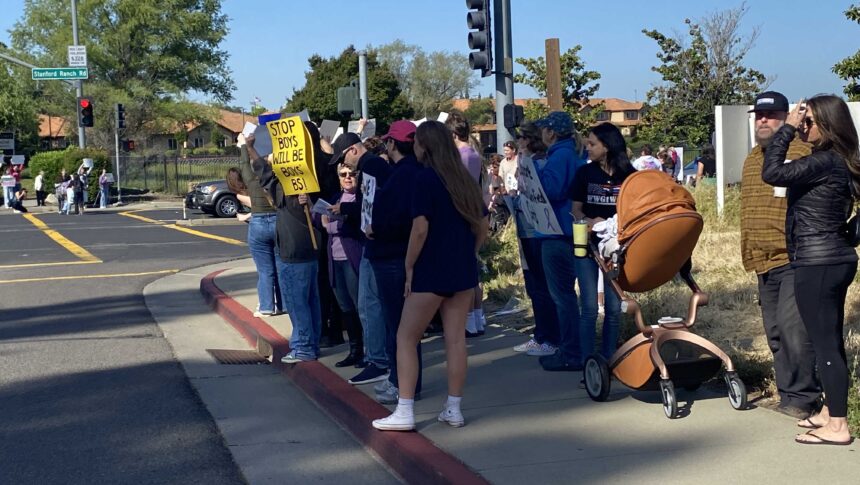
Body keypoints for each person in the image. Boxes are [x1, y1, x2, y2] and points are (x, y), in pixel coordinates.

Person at [372, 121, 488, 431]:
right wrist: (471, 251)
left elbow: (420, 228)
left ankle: (405, 409)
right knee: (455, 340)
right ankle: (454, 408)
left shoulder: (425, 179)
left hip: (430, 268)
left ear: (424, 146)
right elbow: (483, 224)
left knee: (406, 337)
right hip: (462, 268)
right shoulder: (464, 178)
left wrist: (409, 265)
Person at [761, 94, 859, 446]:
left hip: (817, 262)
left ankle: (838, 426)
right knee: (827, 342)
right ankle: (827, 413)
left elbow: (772, 172)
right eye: (800, 122)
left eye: (808, 122)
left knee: (826, 345)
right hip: (833, 256)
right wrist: (849, 233)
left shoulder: (825, 162)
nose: (802, 127)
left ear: (829, 126)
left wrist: (784, 130)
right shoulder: (840, 162)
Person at [739, 90, 821, 421]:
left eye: (771, 115)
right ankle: (788, 395)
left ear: (787, 118)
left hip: (793, 257)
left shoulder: (802, 153)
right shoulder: (752, 159)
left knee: (793, 328)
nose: (762, 120)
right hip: (761, 259)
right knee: (774, 333)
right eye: (758, 115)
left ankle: (804, 398)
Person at [246, 133, 323, 364]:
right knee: (310, 301)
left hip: (294, 252)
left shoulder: (288, 190)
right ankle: (311, 343)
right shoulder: (307, 186)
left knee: (297, 303)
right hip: (309, 251)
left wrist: (249, 149)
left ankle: (303, 347)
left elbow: (265, 176)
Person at [364, 120, 425, 404]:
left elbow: (401, 220)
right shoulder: (417, 172)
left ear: (392, 144)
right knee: (406, 325)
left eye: (388, 141)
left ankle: (401, 383)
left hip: (392, 256)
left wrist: (375, 228)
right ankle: (406, 380)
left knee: (399, 325)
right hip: (402, 255)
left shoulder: (401, 176)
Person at [329, 132, 392, 385]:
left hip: (375, 244)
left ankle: (379, 360)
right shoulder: (372, 166)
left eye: (344, 157)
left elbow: (377, 204)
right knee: (368, 305)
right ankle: (376, 356)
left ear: (354, 150)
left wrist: (345, 209)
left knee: (369, 305)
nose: (345, 165)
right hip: (371, 242)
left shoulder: (372, 167)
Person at [571, 123, 636, 365]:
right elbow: (575, 209)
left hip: (616, 249)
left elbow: (635, 210)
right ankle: (587, 362)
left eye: (592, 144)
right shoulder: (584, 174)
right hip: (586, 245)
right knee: (588, 306)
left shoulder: (629, 175)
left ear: (607, 147)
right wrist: (589, 221)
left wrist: (613, 224)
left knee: (613, 306)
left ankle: (610, 360)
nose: (587, 148)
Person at [533, 111, 587, 372]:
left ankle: (570, 352)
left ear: (551, 133)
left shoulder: (558, 156)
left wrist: (535, 173)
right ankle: (579, 349)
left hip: (556, 232)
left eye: (544, 129)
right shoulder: (574, 153)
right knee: (575, 296)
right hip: (574, 231)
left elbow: (551, 190)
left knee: (562, 297)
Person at [511, 122, 561, 357]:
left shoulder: (538, 162)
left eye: (521, 137)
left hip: (537, 231)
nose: (518, 142)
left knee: (541, 286)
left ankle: (550, 337)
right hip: (526, 229)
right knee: (533, 284)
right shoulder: (525, 162)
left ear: (530, 140)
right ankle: (541, 333)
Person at [318, 163, 365, 368]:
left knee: (359, 306)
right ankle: (354, 350)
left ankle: (368, 350)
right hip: (334, 259)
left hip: (352, 258)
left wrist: (333, 224)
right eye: (343, 174)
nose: (347, 177)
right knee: (345, 306)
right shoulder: (334, 198)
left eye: (351, 174)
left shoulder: (362, 199)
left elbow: (353, 226)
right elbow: (320, 219)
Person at [445, 110, 487, 336]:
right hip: (475, 210)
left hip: (462, 211)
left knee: (465, 271)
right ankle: (477, 317)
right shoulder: (474, 154)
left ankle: (469, 320)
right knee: (474, 268)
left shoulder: (458, 157)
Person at [236, 135, 282, 319]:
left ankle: (266, 306)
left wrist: (244, 147)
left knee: (265, 270)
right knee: (280, 266)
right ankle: (283, 303)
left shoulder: (250, 180)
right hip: (278, 221)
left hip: (259, 222)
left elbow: (244, 164)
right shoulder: (276, 180)